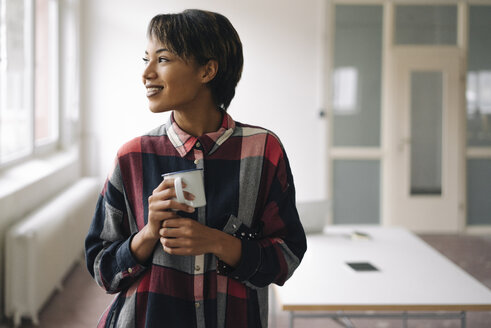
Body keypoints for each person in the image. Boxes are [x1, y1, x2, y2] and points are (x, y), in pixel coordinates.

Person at [85, 9, 307, 328]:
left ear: (207, 70)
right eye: (145, 59)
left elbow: (287, 257)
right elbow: (102, 271)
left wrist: (218, 243)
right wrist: (148, 234)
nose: (146, 73)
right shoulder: (131, 156)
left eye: (162, 59)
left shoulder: (263, 151)